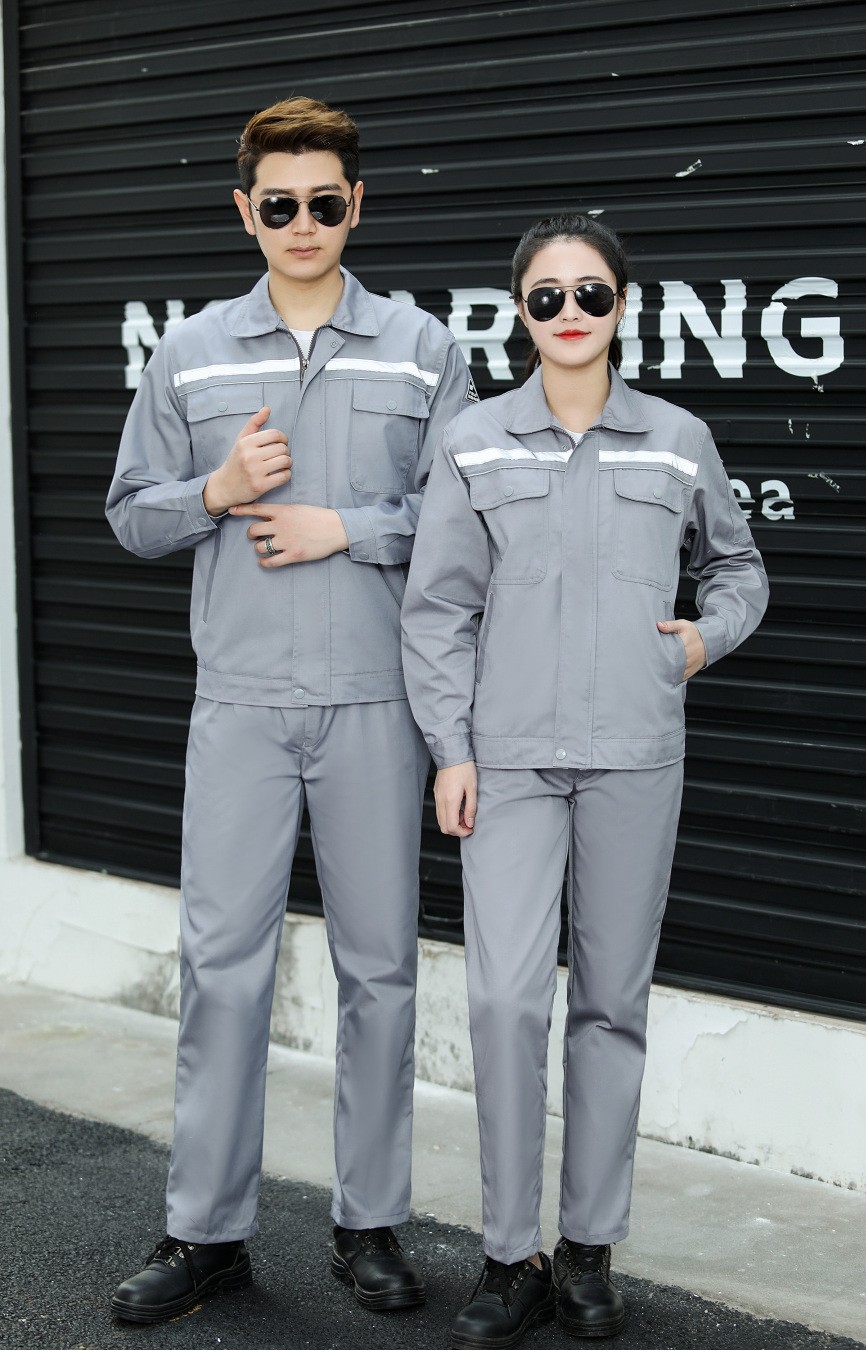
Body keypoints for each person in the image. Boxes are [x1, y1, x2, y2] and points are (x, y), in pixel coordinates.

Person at [105, 96, 475, 1324]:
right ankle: (205, 1233)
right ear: (245, 210)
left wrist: (345, 527)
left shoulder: (422, 349)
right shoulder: (191, 351)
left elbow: (468, 520)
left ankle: (369, 1227)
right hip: (242, 704)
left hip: (376, 705)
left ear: (356, 205)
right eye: (280, 204)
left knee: (380, 973)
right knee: (221, 971)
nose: (303, 223)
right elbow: (131, 514)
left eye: (324, 202)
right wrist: (215, 490)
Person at [401, 214, 768, 1347]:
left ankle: (589, 1248)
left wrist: (700, 640)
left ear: (622, 305)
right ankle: (509, 1254)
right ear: (520, 311)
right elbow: (436, 608)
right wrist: (451, 751)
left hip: (636, 756)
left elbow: (738, 568)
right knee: (507, 1002)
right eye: (548, 296)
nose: (570, 313)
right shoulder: (473, 439)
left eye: (591, 294)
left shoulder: (676, 439)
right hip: (507, 761)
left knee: (611, 1003)